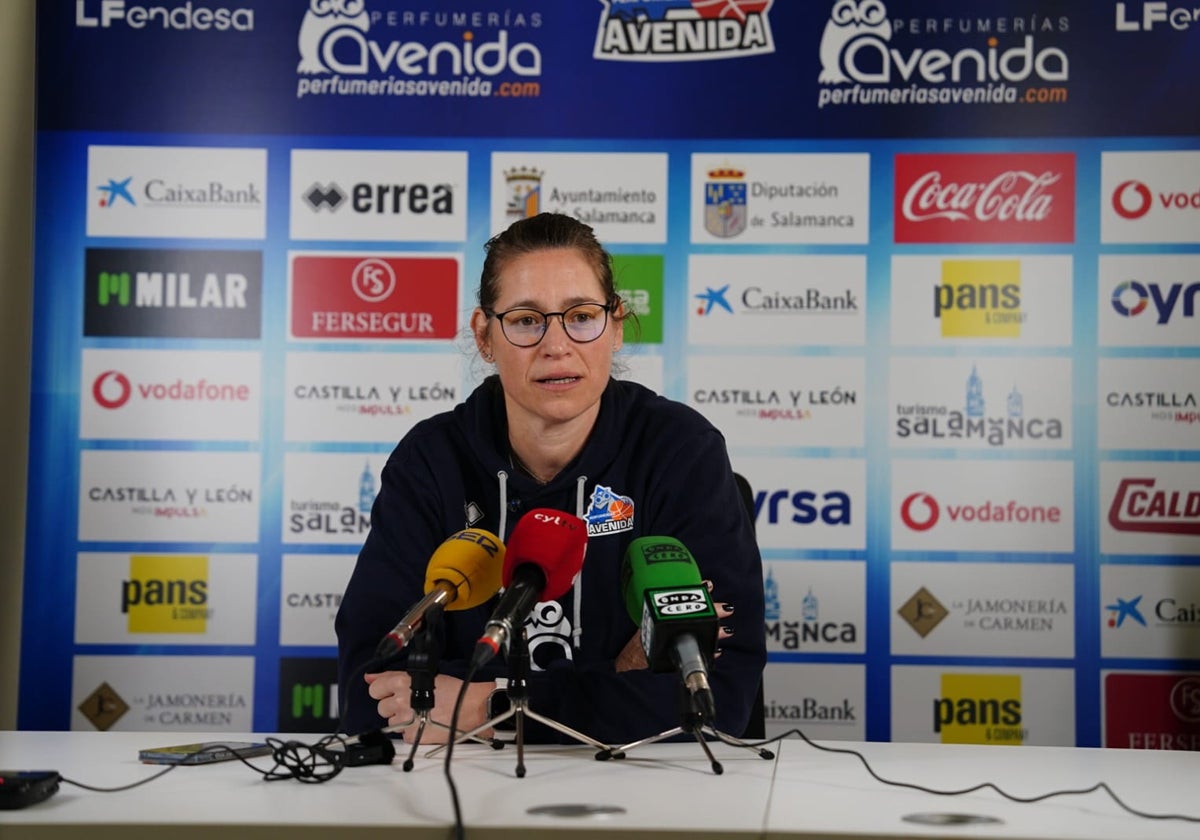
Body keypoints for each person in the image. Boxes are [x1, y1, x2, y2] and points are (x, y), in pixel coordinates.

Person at [335, 212, 766, 746]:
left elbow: (716, 696)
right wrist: (617, 681)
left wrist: (487, 706)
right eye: (525, 320)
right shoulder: (431, 461)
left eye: (581, 316)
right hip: (466, 796)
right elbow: (370, 689)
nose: (556, 345)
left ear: (614, 326)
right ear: (484, 335)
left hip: (649, 794)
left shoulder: (681, 452)